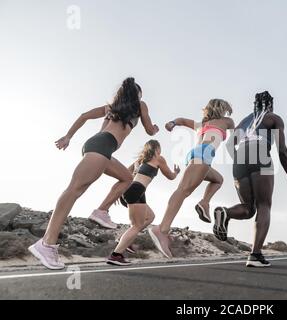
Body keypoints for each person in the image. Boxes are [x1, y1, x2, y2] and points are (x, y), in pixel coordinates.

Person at [28, 77, 159, 270]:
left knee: (126, 177)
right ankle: (46, 244)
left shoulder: (112, 107)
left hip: (99, 146)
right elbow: (149, 130)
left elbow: (84, 115)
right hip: (102, 147)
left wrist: (68, 137)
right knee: (74, 190)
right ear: (137, 94)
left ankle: (101, 211)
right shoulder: (140, 105)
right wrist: (154, 128)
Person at [214, 91, 287, 267]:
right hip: (260, 152)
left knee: (248, 209)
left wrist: (240, 160)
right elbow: (282, 150)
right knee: (264, 205)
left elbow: (230, 144)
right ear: (270, 105)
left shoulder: (245, 121)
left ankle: (225, 213)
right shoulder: (273, 118)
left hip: (240, 158)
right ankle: (255, 255)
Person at [148, 99, 234, 258]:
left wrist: (172, 123)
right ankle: (162, 229)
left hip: (195, 155)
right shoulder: (226, 121)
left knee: (218, 179)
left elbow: (181, 120)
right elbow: (237, 132)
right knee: (182, 191)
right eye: (225, 110)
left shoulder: (201, 124)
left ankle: (204, 203)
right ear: (222, 110)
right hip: (204, 153)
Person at [106, 140, 180, 266]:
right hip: (136, 190)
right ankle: (116, 255)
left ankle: (125, 240)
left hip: (134, 191)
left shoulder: (138, 161)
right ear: (157, 148)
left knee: (150, 217)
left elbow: (124, 174)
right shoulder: (158, 158)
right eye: (159, 148)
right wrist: (176, 172)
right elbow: (170, 176)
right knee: (136, 226)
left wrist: (120, 191)